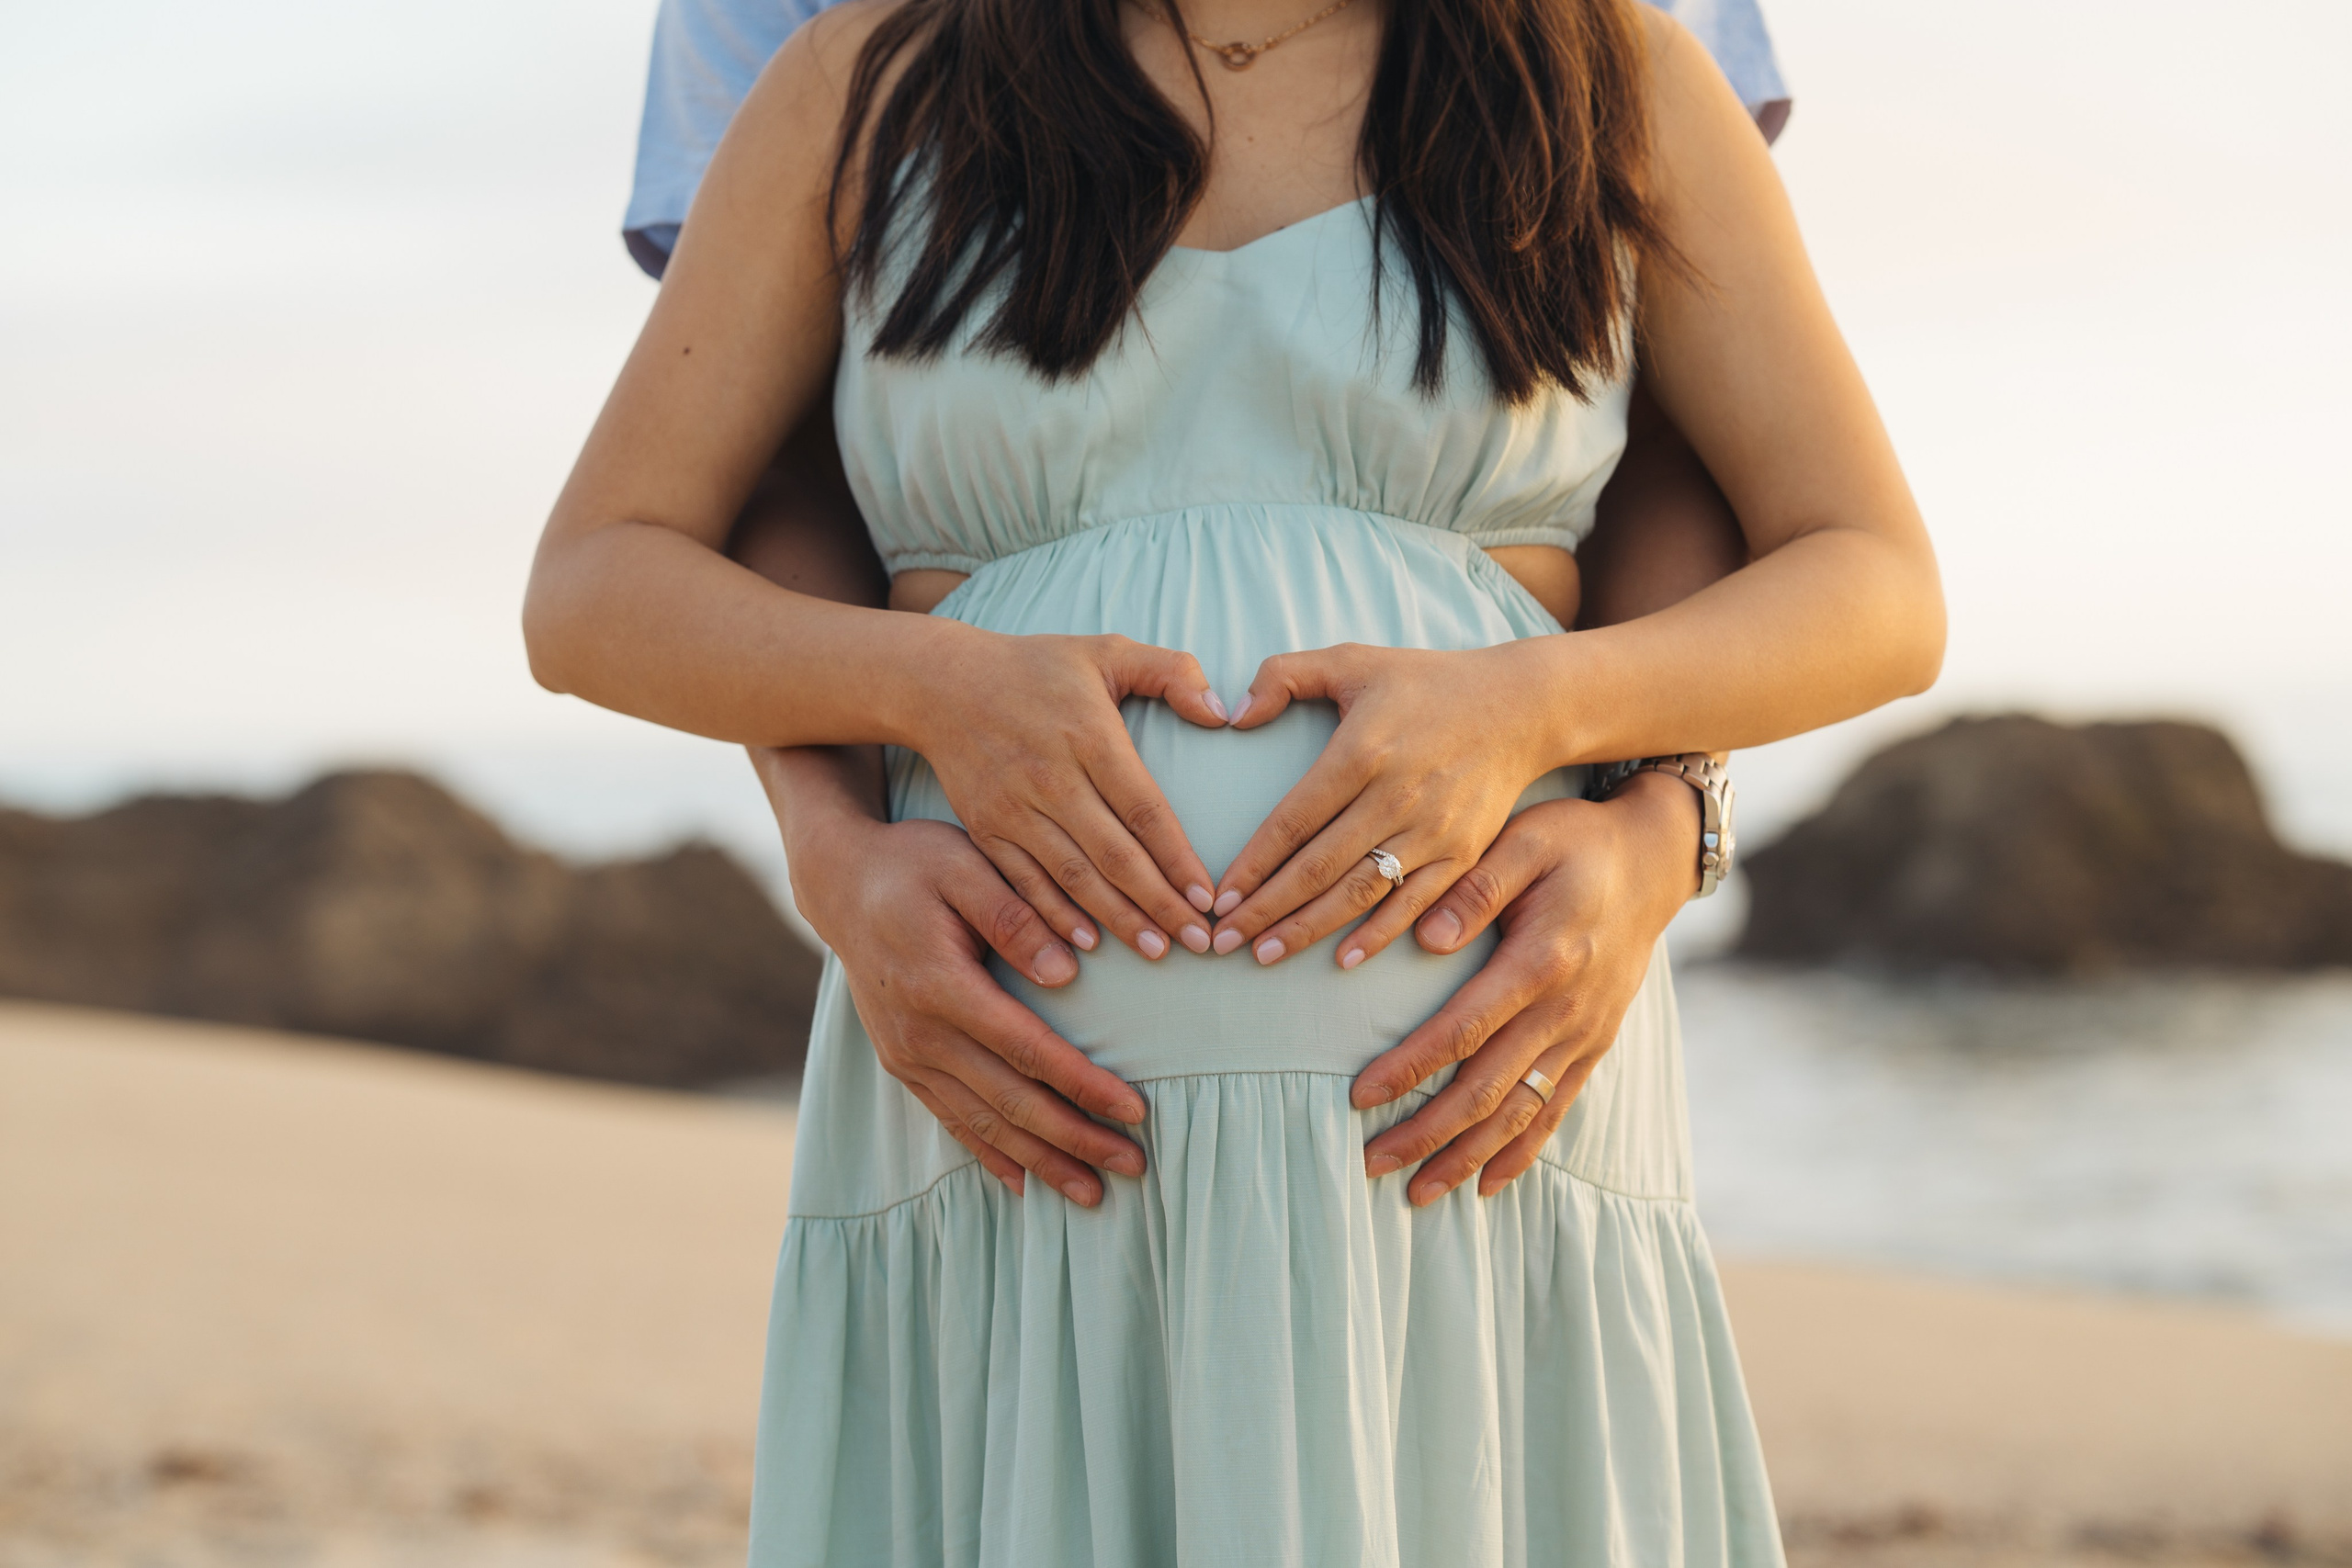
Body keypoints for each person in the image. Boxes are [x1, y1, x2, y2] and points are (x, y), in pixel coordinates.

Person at [522, 0, 1944, 1556]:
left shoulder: (1614, 61)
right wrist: (890, 746)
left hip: (1476, 1134)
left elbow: (1860, 571)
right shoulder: (852, 77)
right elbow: (610, 576)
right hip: (1022, 1144)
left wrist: (1601, 765)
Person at [630, 0, 1791, 1216]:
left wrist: (1666, 827)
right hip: (1000, 1101)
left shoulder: (1622, 56)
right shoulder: (847, 69)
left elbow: (1682, 440)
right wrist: (838, 849)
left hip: (1491, 1091)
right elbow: (760, 466)